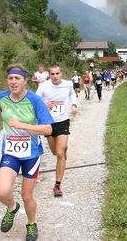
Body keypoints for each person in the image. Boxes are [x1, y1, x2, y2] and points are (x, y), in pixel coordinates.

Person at [0, 63, 54, 241]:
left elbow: (48, 129)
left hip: (31, 154)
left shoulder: (35, 100)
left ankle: (31, 224)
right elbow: (2, 108)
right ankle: (11, 208)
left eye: (17, 78)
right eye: (10, 78)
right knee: (2, 191)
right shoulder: (3, 96)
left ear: (25, 81)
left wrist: (22, 125)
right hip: (10, 153)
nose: (13, 82)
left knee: (26, 196)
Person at [36, 64, 78, 197]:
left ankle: (57, 185)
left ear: (61, 73)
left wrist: (74, 104)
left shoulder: (68, 84)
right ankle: (62, 150)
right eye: (52, 74)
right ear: (49, 75)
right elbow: (35, 101)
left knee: (60, 153)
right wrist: (44, 104)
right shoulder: (43, 86)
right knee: (55, 152)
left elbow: (72, 94)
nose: (55, 76)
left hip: (63, 121)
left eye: (57, 73)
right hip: (48, 123)